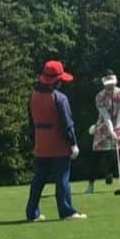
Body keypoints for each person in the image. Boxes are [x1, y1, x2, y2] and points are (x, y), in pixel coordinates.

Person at [26, 60, 86, 222]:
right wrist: (73, 144)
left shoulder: (33, 96)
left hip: (41, 145)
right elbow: (67, 124)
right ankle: (67, 212)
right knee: (62, 179)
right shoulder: (59, 98)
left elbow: (31, 124)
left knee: (38, 180)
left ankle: (32, 213)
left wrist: (34, 143)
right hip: (59, 145)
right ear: (56, 81)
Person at [85, 70, 120, 194]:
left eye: (111, 84)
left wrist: (117, 130)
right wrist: (110, 130)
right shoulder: (99, 97)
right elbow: (105, 115)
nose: (109, 87)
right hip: (102, 126)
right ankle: (90, 185)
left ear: (115, 82)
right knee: (96, 156)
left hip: (119, 125)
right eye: (107, 84)